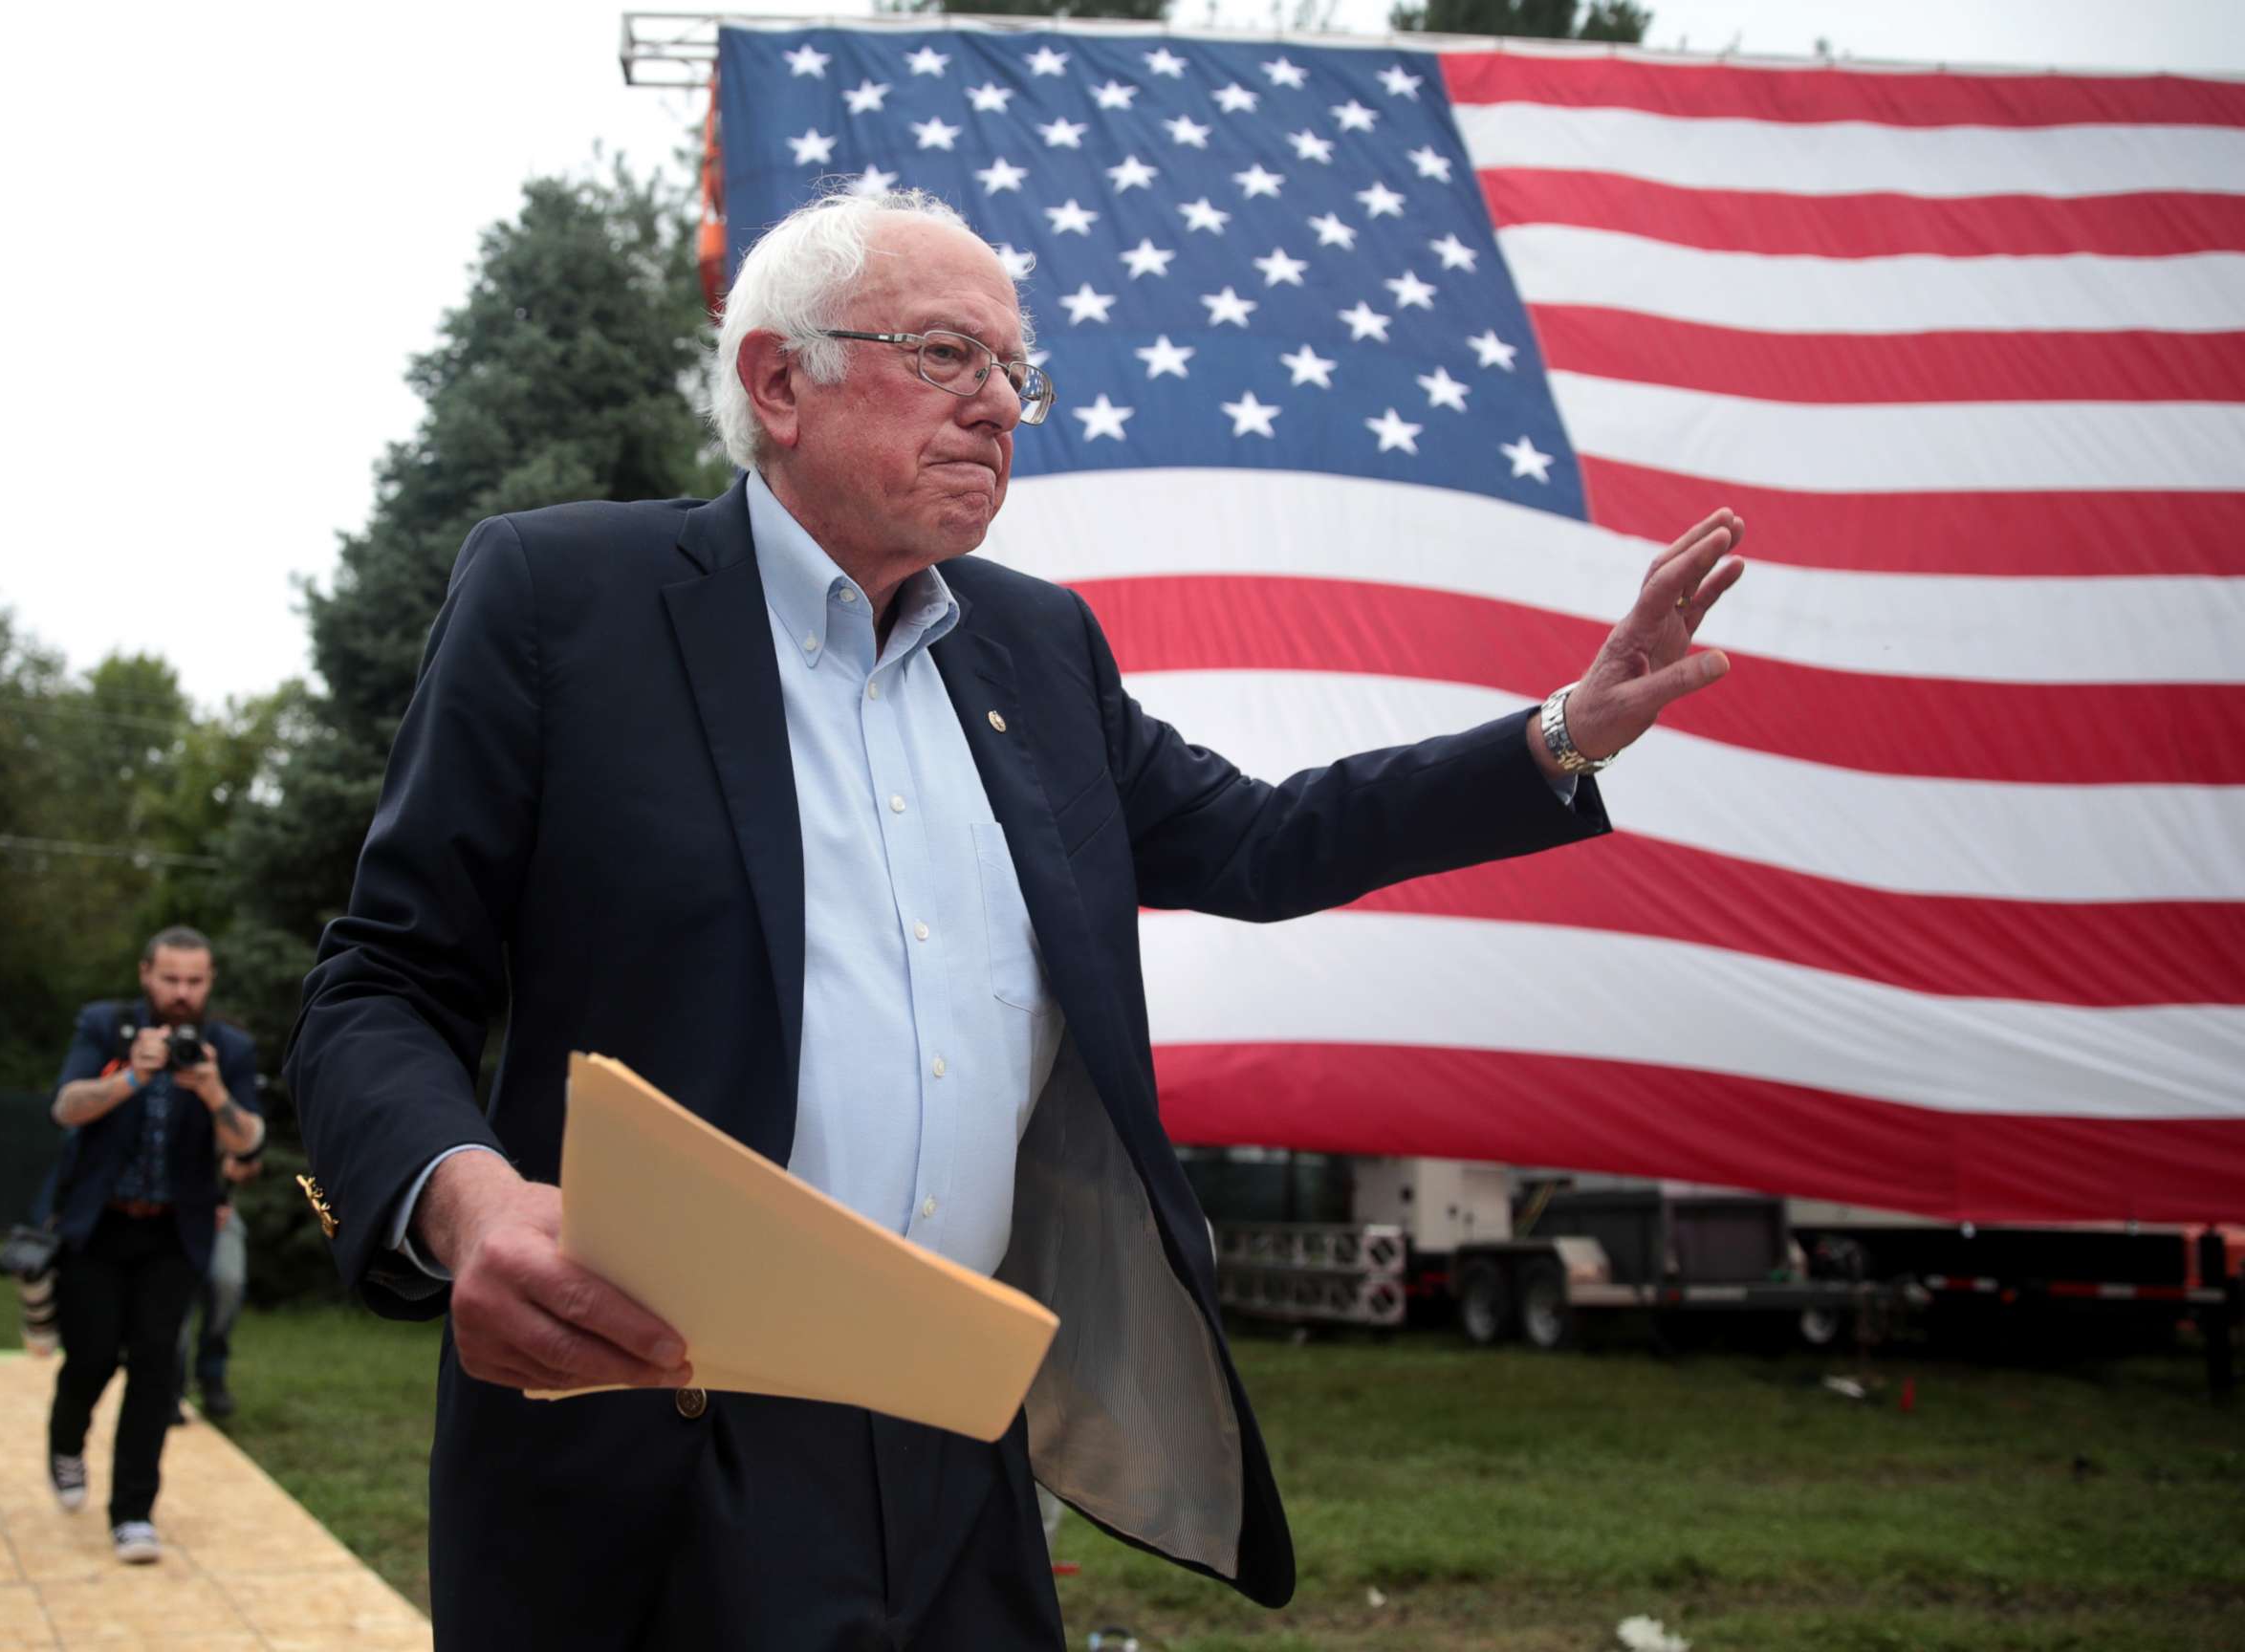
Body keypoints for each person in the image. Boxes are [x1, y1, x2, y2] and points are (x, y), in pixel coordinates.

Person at [285, 189, 1743, 1648]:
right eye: (945, 356)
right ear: (779, 382)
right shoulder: (564, 597)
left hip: (958, 1434)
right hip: (658, 1419)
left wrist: (1561, 733)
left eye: (1013, 372)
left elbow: (1261, 839)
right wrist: (466, 1205)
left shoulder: (1035, 648)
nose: (1000, 405)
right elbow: (380, 983)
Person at [46, 925, 262, 1563]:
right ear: (146, 974)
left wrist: (214, 1090)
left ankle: (133, 1512)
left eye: (194, 981)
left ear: (210, 981)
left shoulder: (228, 1049)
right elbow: (65, 1108)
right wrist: (130, 1078)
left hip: (175, 1234)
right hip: (99, 1227)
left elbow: (248, 1145)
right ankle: (65, 1442)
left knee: (155, 1367)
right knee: (89, 1357)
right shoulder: (105, 1028)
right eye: (170, 979)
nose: (181, 993)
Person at [172, 1150, 258, 1423]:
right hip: (168, 1211)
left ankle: (212, 1372)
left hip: (220, 1211)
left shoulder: (227, 1106)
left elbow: (252, 1156)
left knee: (228, 1283)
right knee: (175, 1302)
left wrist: (244, 1166)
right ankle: (170, 1387)